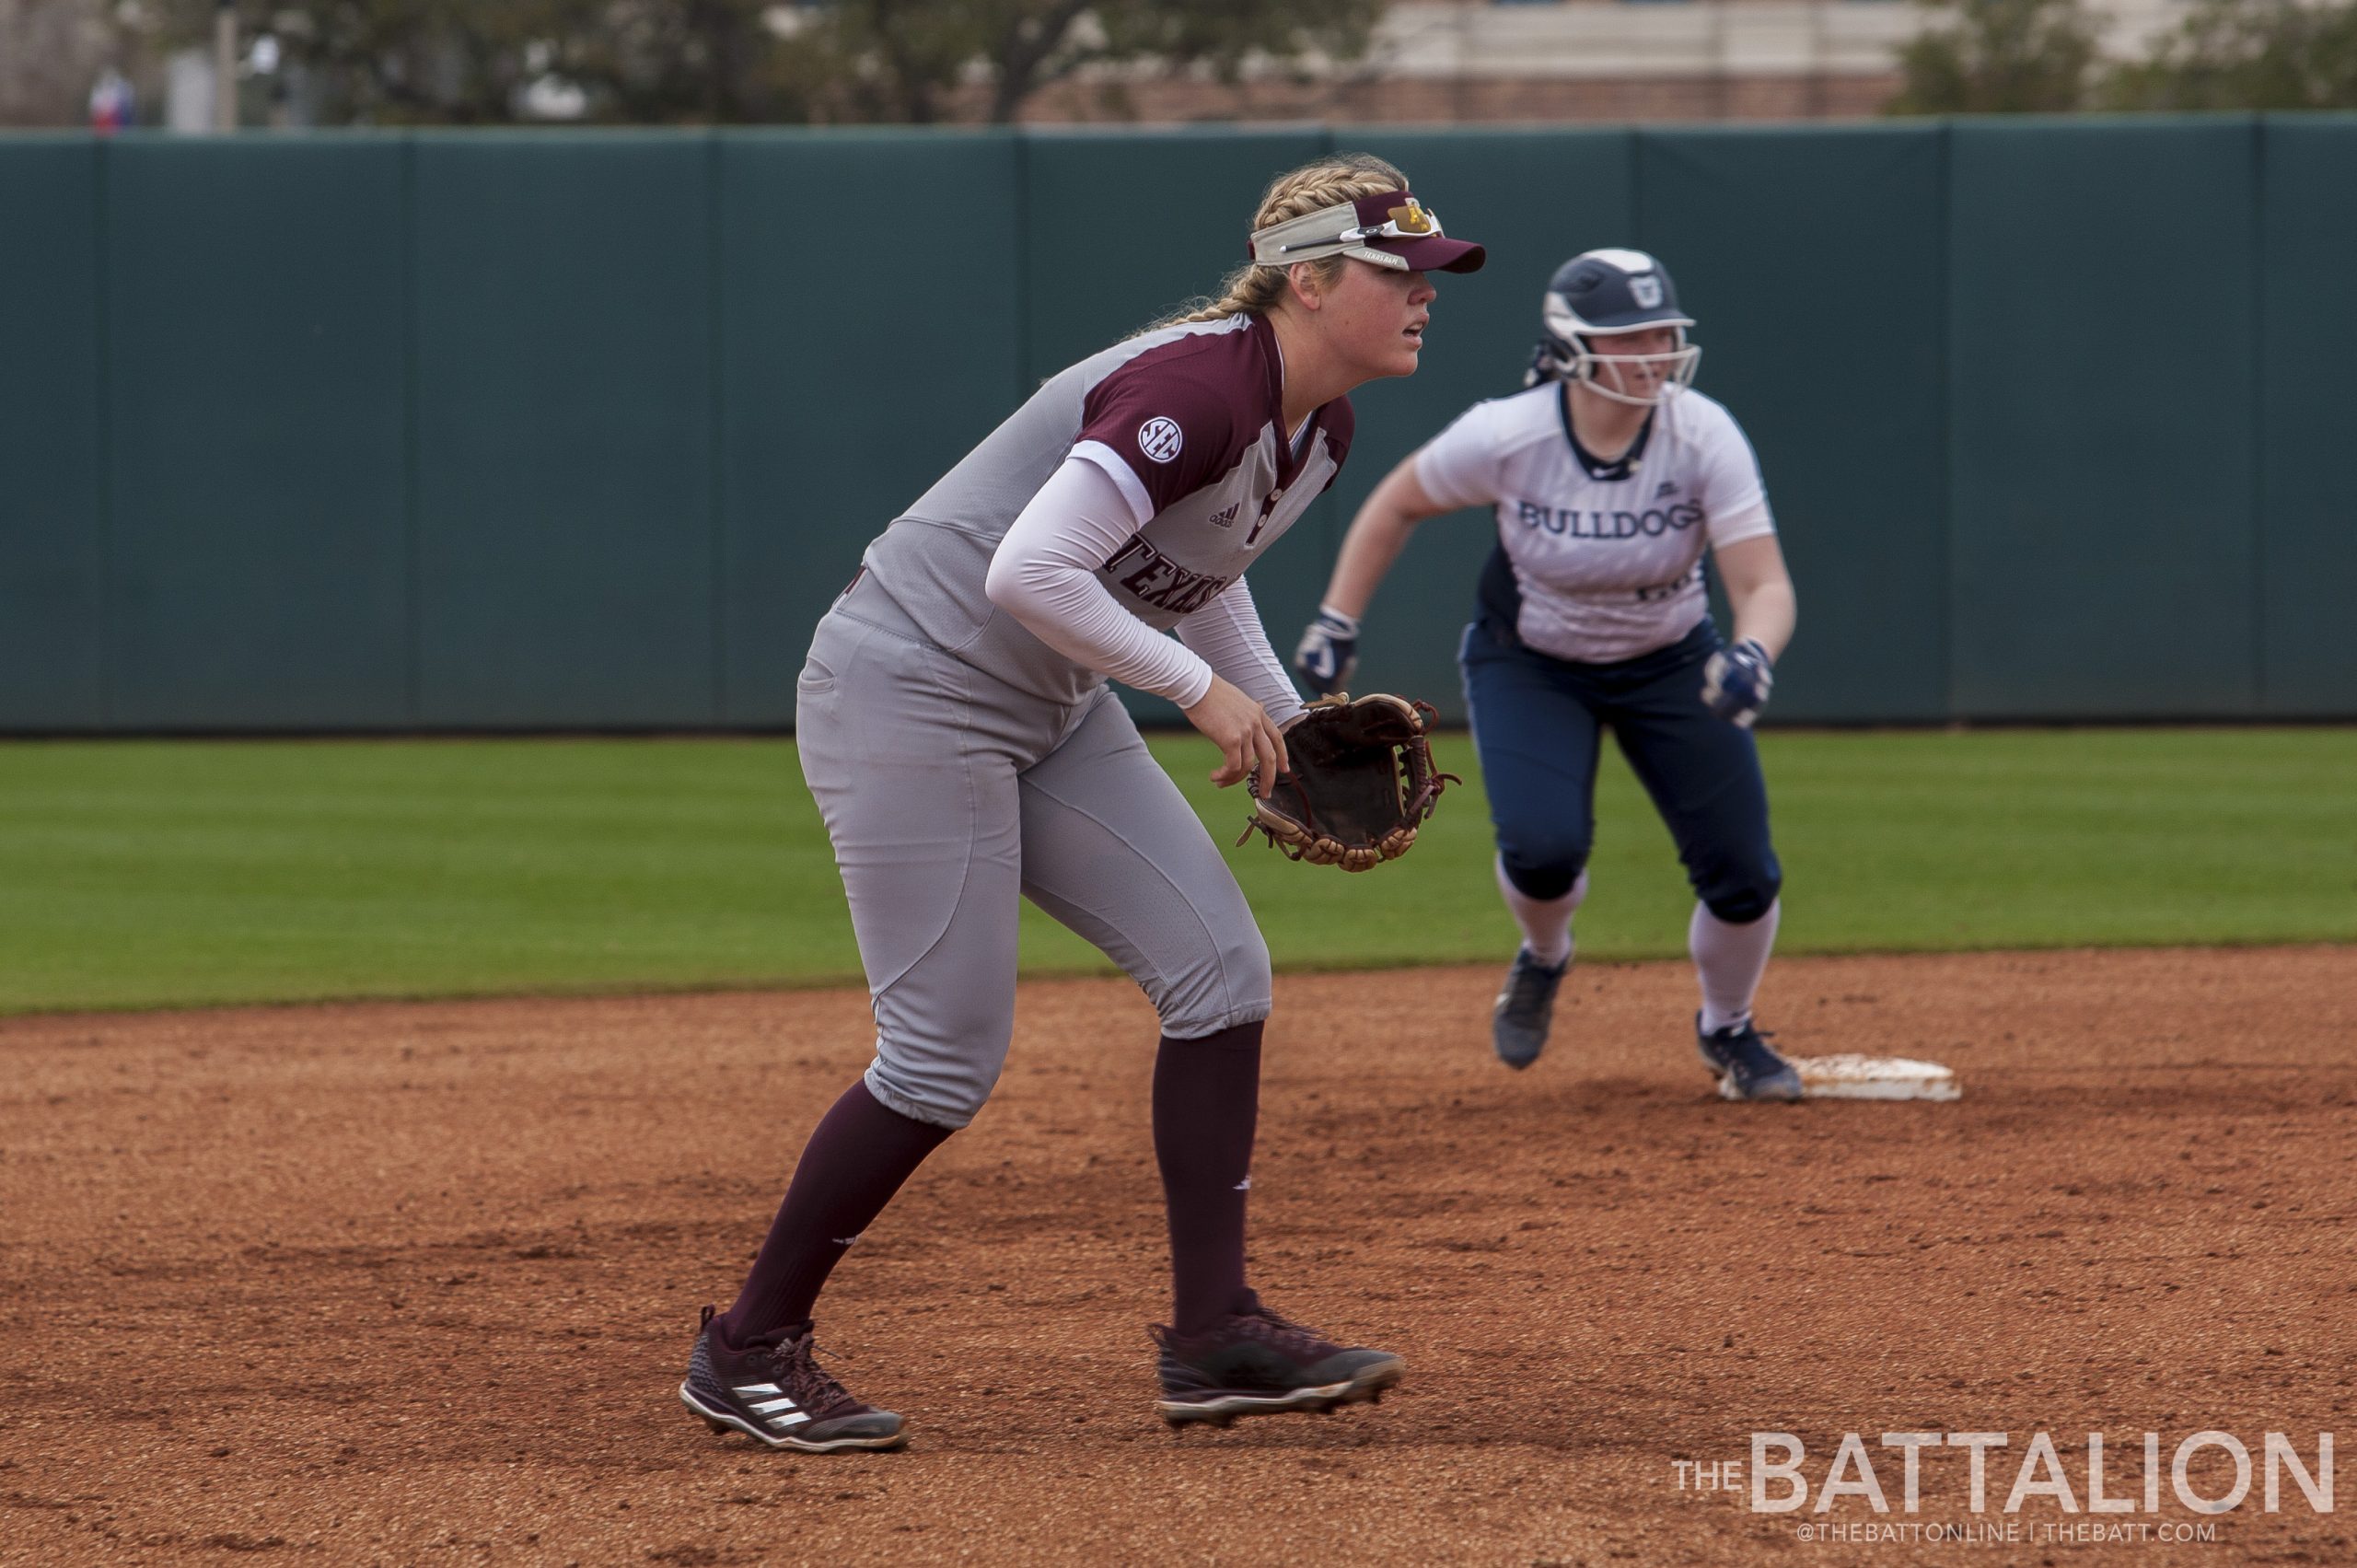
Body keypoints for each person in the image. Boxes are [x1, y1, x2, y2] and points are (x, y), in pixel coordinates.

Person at [678, 156, 1486, 1452]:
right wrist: (1201, 698)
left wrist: (1274, 707)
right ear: (1308, 279)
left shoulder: (1319, 426)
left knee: (1222, 972)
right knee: (942, 1054)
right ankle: (747, 1343)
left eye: (1426, 274)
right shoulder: (1198, 380)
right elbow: (1032, 566)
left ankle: (1215, 1331)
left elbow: (1200, 567)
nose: (1422, 296)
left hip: (1050, 704)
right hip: (911, 689)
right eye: (1395, 274)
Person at [1294, 249, 1804, 1101]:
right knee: (1542, 852)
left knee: (1745, 872)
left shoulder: (1701, 432)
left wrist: (1753, 652)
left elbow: (1765, 584)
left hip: (1671, 658)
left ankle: (1728, 1028)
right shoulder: (1513, 432)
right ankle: (1544, 954)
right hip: (1531, 660)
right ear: (1572, 347)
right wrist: (1336, 621)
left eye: (1660, 336)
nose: (1652, 355)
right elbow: (1397, 502)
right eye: (1627, 338)